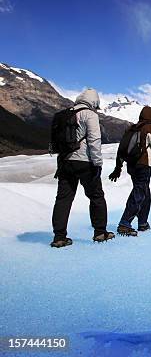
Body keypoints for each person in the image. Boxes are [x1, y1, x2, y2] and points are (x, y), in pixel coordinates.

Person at [50, 88, 115, 248]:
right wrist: (98, 164)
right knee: (96, 196)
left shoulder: (65, 114)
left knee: (63, 199)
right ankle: (100, 232)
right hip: (85, 162)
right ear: (94, 102)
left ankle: (59, 237)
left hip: (65, 161)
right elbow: (94, 140)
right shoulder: (90, 115)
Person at [108, 106, 151, 236]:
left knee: (144, 192)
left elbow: (121, 149)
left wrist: (118, 167)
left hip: (131, 165)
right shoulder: (149, 128)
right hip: (143, 165)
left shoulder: (132, 128)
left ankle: (142, 222)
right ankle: (125, 223)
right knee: (139, 191)